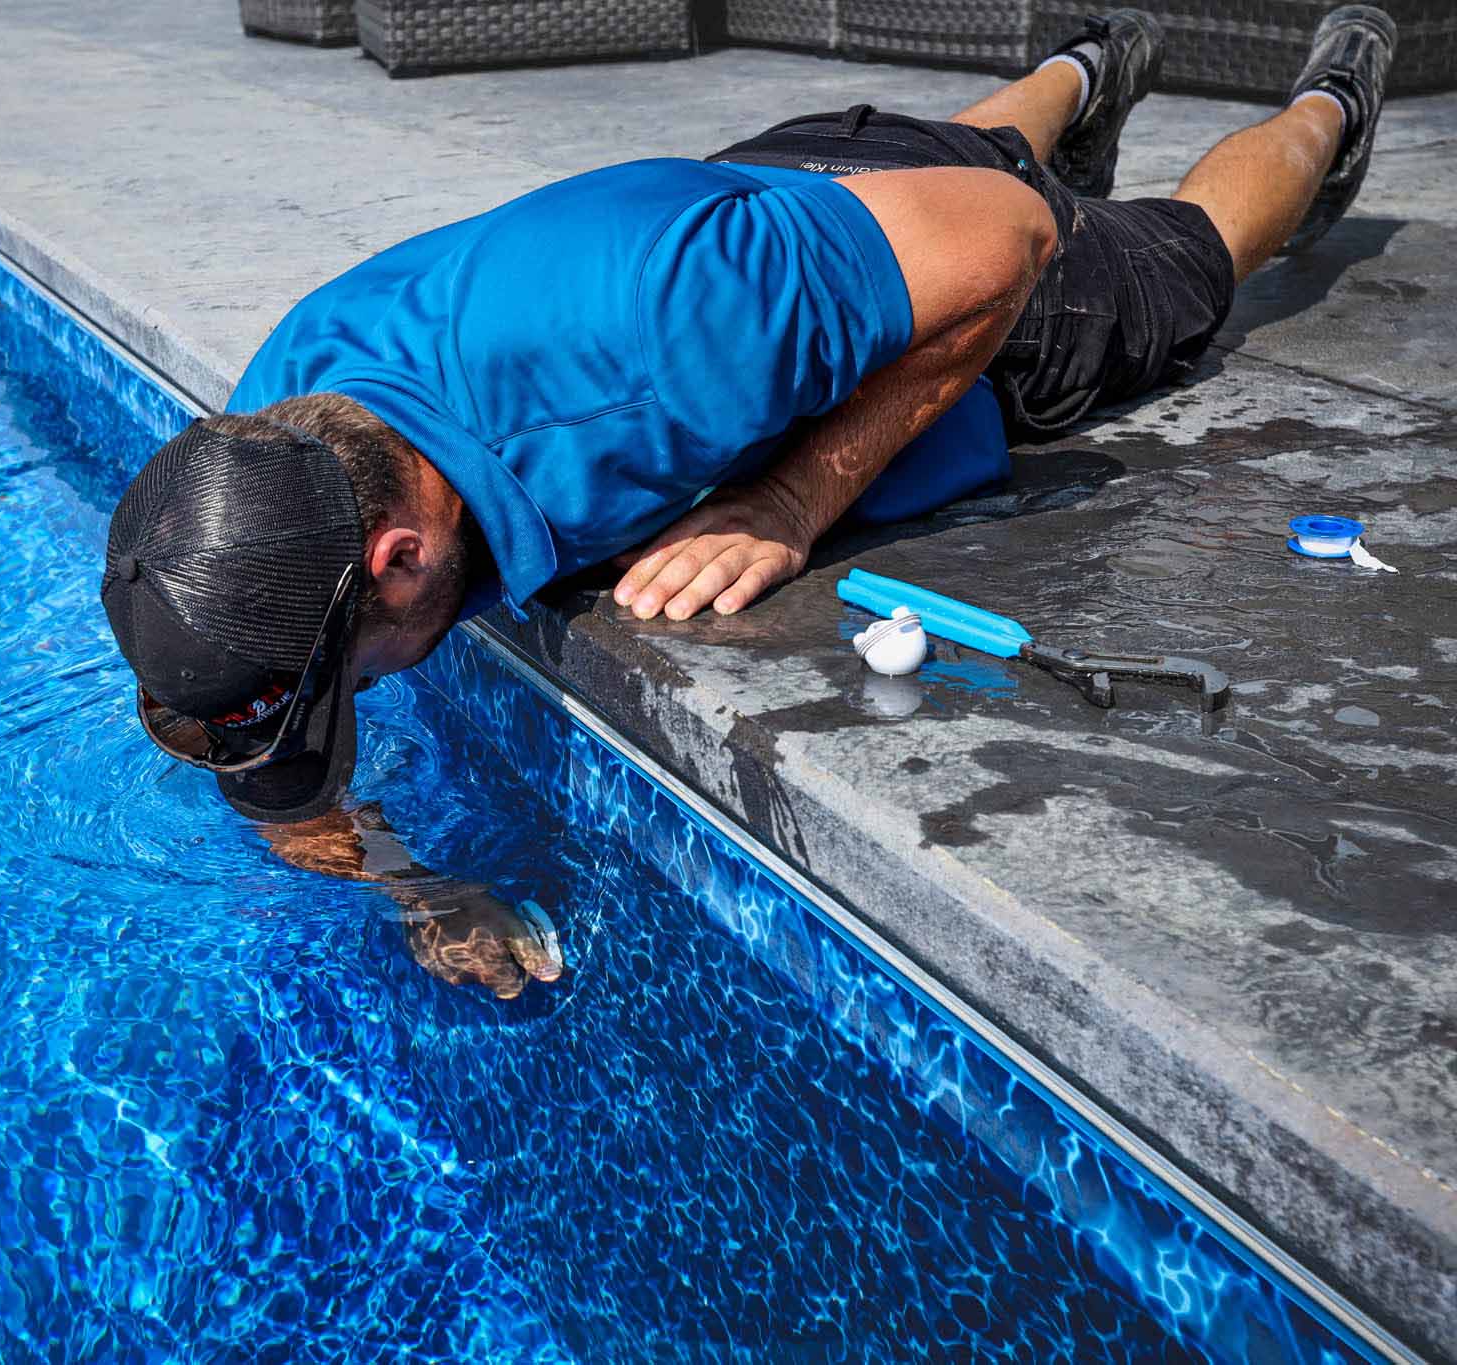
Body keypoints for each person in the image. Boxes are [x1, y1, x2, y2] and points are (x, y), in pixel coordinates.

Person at [99, 7, 1398, 997]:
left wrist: (791, 498)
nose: (364, 697)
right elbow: (268, 734)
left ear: (395, 554)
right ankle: (1083, 64)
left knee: (1184, 251)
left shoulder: (655, 344)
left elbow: (1006, 238)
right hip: (777, 202)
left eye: (360, 675)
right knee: (952, 161)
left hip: (942, 288)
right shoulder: (271, 434)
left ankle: (1331, 100)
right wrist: (411, 886)